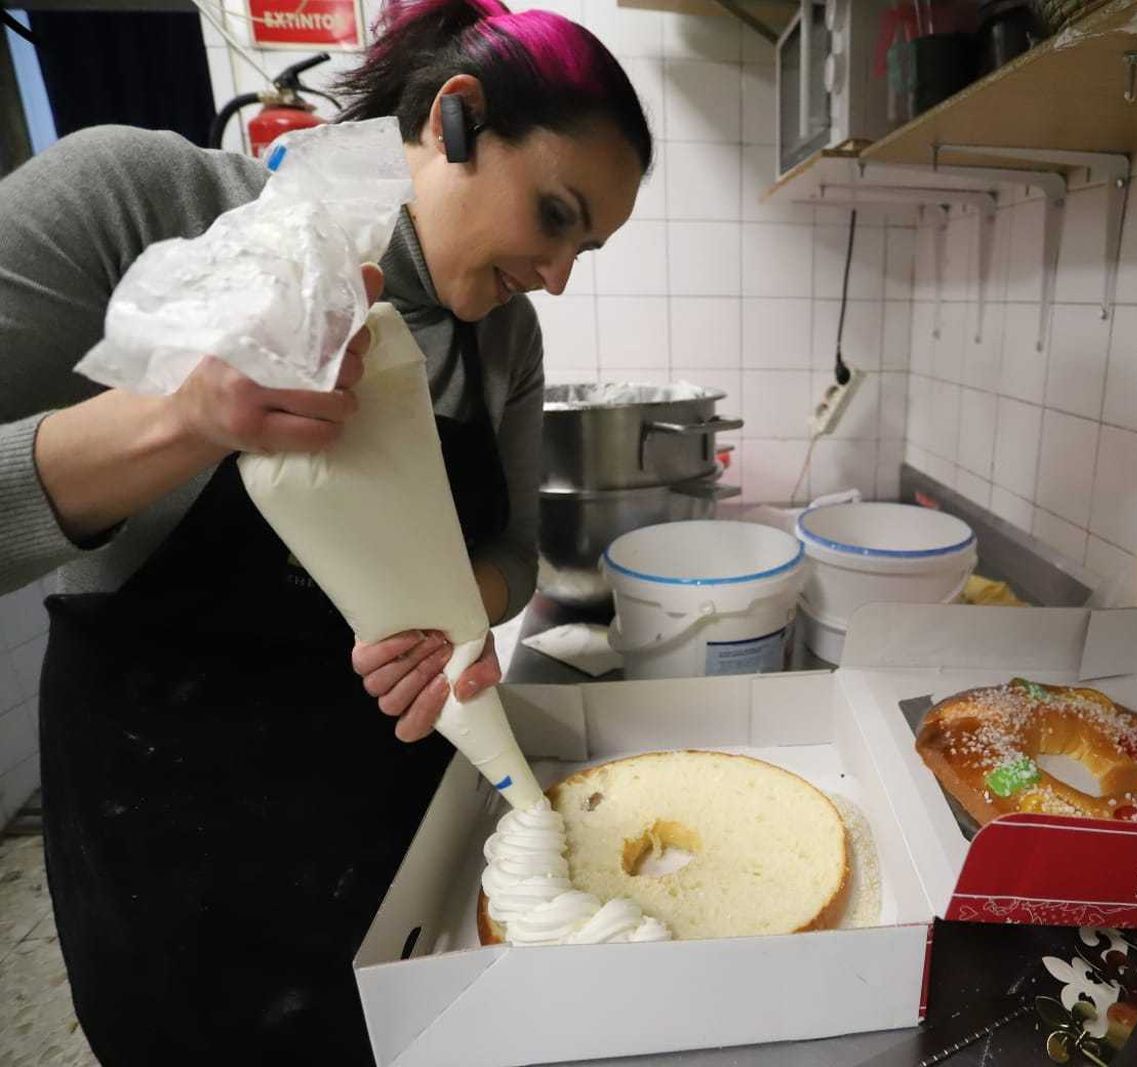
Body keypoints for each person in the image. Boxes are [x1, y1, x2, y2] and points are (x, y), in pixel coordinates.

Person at [0, 0, 651, 1060]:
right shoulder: (141, 200)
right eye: (557, 215)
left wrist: (445, 613)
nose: (560, 273)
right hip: (172, 845)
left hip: (398, 836)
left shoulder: (503, 342)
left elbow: (509, 559)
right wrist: (178, 416)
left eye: (591, 245)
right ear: (457, 117)